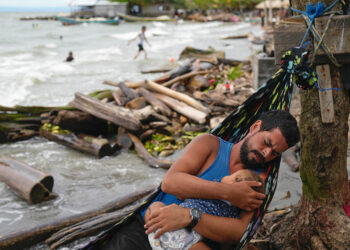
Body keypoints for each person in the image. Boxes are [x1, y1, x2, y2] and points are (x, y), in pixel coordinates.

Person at [100, 110, 299, 250]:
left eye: (274, 153)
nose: (265, 154)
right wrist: (227, 192)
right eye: (266, 143)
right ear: (255, 127)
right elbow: (171, 182)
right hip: (146, 229)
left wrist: (190, 216)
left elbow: (239, 232)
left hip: (194, 243)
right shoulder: (210, 145)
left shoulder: (261, 180)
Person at [145, 169, 265, 250]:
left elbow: (182, 195)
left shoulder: (212, 188)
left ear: (235, 181)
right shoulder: (233, 214)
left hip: (171, 230)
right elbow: (226, 243)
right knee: (156, 206)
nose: (226, 175)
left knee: (155, 206)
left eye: (231, 175)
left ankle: (158, 233)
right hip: (180, 232)